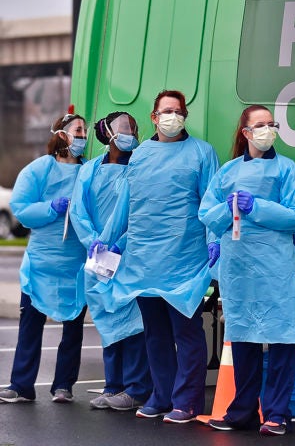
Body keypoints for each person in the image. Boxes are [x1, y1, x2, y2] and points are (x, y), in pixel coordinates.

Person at [90, 90, 220, 423]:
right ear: (153, 116)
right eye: (166, 111)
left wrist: (214, 241)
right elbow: (127, 205)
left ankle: (187, 402)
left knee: (187, 333)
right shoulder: (142, 154)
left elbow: (210, 203)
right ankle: (161, 396)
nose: (172, 117)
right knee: (155, 333)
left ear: (185, 116)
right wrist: (107, 241)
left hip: (184, 260)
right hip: (144, 261)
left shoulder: (201, 153)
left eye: (178, 111)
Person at [199, 104, 295, 436]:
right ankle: (242, 411)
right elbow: (207, 212)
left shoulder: (286, 169)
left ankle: (278, 413)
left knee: (282, 338)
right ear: (245, 132)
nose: (267, 130)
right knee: (244, 336)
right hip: (238, 266)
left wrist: (258, 206)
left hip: (274, 265)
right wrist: (216, 234)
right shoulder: (227, 172)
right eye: (260, 124)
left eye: (271, 124)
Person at [0, 113, 88, 404]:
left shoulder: (90, 172)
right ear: (62, 135)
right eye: (78, 130)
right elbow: (21, 207)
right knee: (30, 325)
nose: (84, 135)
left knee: (73, 328)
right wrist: (51, 207)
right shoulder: (38, 169)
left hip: (76, 263)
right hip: (41, 263)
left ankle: (64, 385)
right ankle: (21, 385)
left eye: (85, 131)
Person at [69, 112, 152, 410]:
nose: (130, 132)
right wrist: (93, 241)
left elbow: (143, 213)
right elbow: (78, 211)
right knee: (108, 320)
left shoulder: (140, 169)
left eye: (134, 126)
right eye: (124, 127)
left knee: (133, 322)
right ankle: (113, 385)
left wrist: (121, 243)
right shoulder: (90, 170)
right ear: (109, 132)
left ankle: (136, 388)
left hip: (130, 254)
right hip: (99, 256)